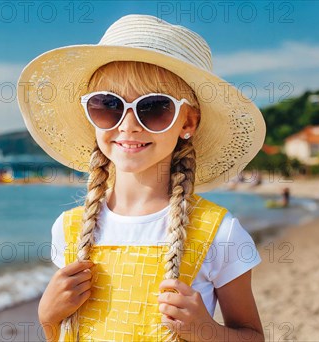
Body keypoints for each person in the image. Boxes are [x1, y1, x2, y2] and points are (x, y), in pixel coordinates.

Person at [17, 14, 266, 342]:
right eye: (108, 105)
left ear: (188, 122)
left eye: (154, 108)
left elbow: (252, 336)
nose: (128, 125)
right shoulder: (69, 230)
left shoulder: (219, 232)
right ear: (90, 115)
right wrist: (48, 317)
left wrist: (208, 331)